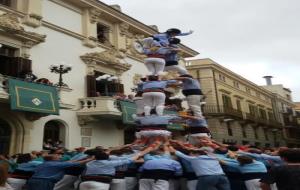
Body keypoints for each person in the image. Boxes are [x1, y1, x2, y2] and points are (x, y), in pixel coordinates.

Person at [27, 154, 92, 190]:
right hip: (44, 182)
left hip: (32, 180)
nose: (60, 158)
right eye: (57, 157)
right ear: (53, 159)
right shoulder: (55, 164)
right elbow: (75, 164)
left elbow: (69, 162)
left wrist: (84, 159)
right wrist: (90, 159)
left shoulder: (44, 163)